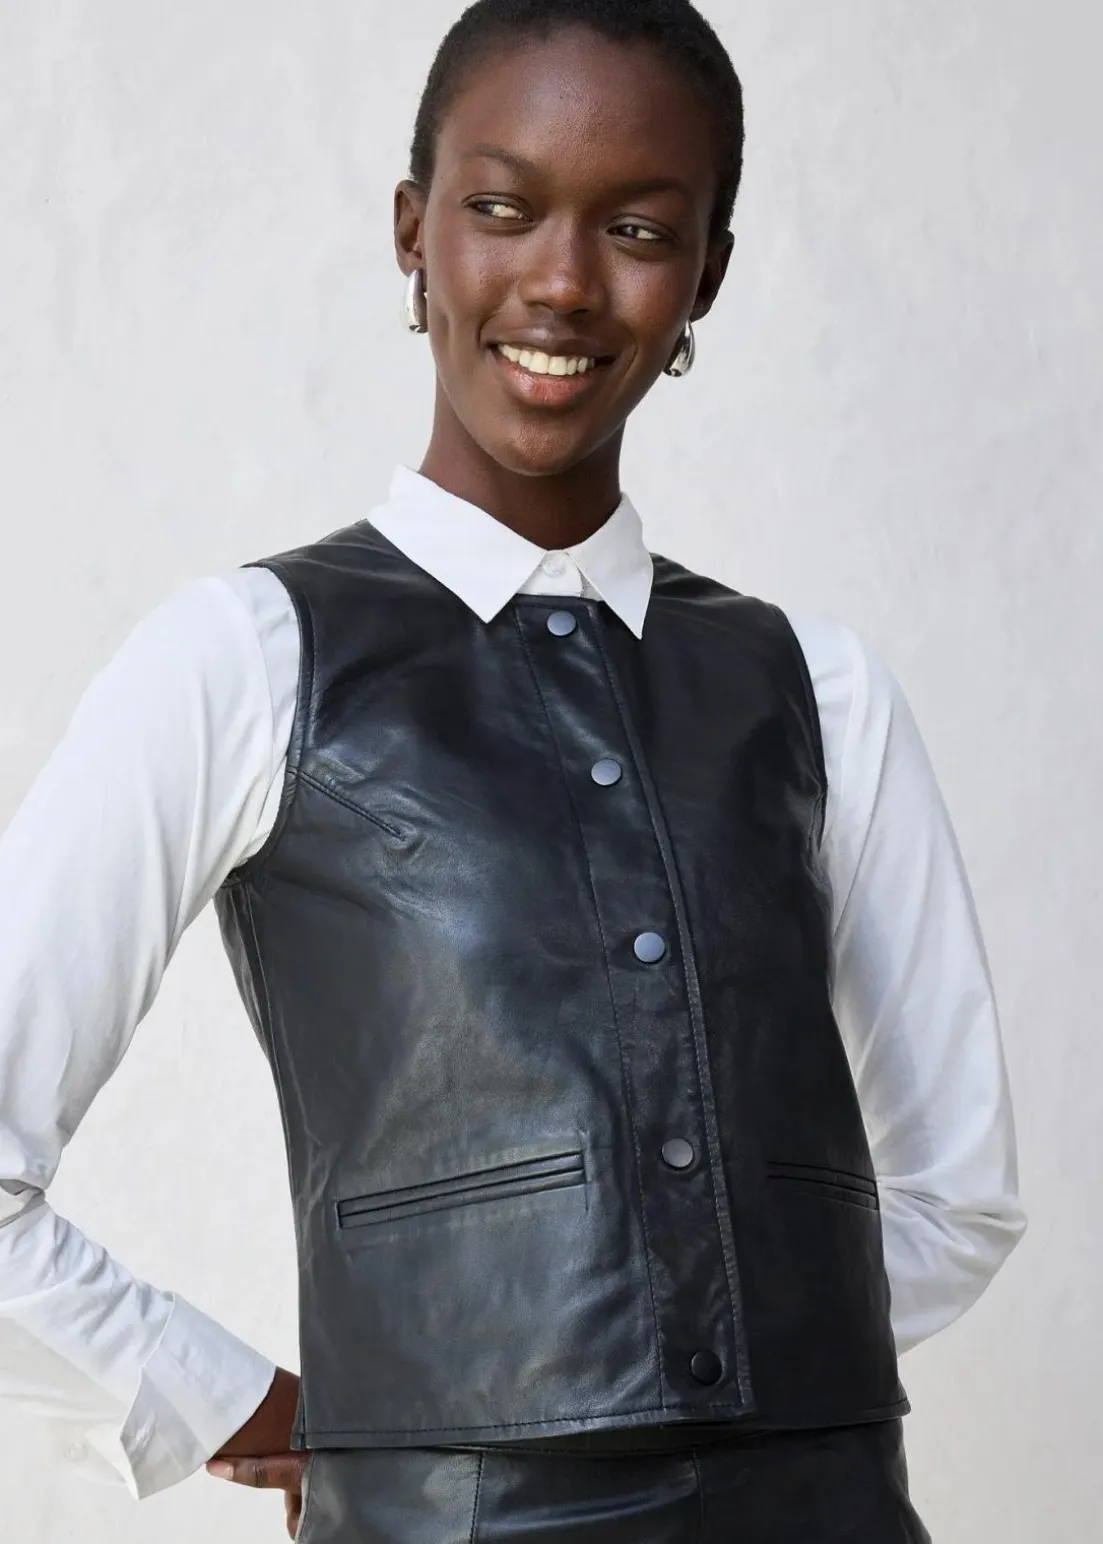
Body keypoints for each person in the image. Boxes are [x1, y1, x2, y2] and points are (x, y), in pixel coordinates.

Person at [0, 1, 1025, 1539]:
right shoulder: (247, 657)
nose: (560, 280)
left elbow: (962, 1192)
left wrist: (745, 1343)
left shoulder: (815, 689)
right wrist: (235, 1404)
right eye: (500, 208)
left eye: (637, 229)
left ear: (705, 277)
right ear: (412, 234)